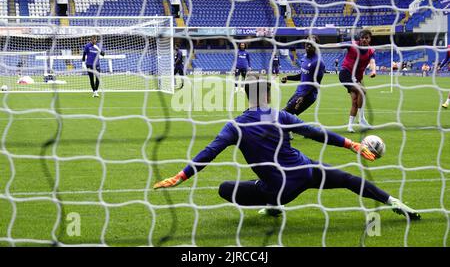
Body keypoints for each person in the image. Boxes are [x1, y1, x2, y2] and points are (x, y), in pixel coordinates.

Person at [154, 75, 421, 220]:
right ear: (268, 95)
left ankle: (273, 204)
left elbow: (209, 153)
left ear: (248, 96)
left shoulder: (234, 126)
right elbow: (315, 133)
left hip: (282, 190)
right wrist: (351, 145)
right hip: (308, 171)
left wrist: (182, 175)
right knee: (349, 179)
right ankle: (393, 201)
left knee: (226, 188)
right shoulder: (281, 116)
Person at [338, 30, 376, 133]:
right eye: (362, 37)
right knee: (362, 90)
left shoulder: (371, 51)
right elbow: (337, 45)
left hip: (356, 78)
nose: (364, 39)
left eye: (366, 38)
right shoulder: (352, 45)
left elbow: (372, 61)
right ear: (360, 38)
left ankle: (350, 126)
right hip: (346, 74)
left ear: (370, 39)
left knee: (355, 101)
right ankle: (361, 119)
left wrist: (373, 71)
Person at [281, 35, 325, 116]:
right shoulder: (304, 58)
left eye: (311, 43)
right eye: (307, 43)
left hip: (308, 96)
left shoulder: (318, 62)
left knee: (284, 114)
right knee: (287, 115)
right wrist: (288, 77)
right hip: (299, 92)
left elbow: (316, 83)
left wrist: (303, 96)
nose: (308, 45)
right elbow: (302, 75)